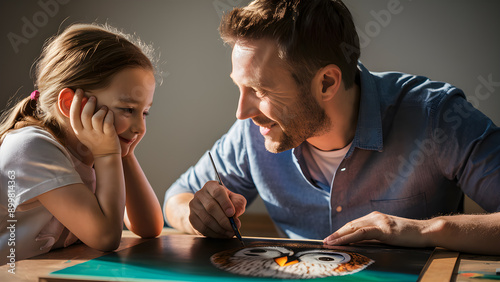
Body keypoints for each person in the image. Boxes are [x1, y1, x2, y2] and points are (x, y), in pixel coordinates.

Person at [164, 0, 500, 255]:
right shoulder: (256, 131)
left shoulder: (437, 116)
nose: (241, 113)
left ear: (326, 82)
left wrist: (425, 230)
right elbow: (175, 199)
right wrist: (197, 216)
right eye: (240, 88)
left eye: (261, 91)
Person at [0, 23, 164, 264]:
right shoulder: (32, 148)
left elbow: (149, 227)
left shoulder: (89, 148)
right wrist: (109, 154)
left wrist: (123, 155)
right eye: (128, 109)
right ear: (70, 104)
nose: (140, 127)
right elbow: (106, 237)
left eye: (145, 112)